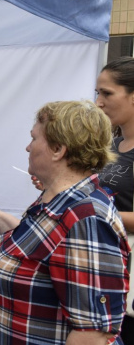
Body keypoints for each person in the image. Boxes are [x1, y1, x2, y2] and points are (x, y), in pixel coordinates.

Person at [0, 100, 130, 345]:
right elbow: (40, 250)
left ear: (58, 149)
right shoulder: (59, 199)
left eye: (34, 138)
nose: (28, 147)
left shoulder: (87, 220)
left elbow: (92, 334)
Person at [95, 56, 134, 344]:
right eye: (98, 92)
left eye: (107, 93)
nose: (98, 102)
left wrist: (92, 214)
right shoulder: (110, 143)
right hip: (105, 269)